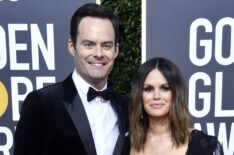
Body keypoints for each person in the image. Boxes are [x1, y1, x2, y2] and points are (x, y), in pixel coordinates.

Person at [14, 3, 129, 155]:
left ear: (116, 50)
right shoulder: (42, 103)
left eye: (106, 45)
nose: (98, 53)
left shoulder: (127, 107)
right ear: (72, 46)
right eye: (89, 44)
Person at [129, 57, 223, 155]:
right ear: (139, 95)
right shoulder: (126, 143)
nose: (156, 96)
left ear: (176, 93)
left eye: (165, 88)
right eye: (148, 89)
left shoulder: (204, 145)